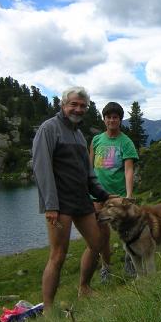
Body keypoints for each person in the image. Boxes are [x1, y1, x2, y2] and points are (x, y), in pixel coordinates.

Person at [32, 86, 111, 310]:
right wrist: (50, 205)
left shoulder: (78, 135)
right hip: (59, 203)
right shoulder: (49, 129)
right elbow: (42, 169)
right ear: (63, 105)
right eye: (73, 104)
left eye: (83, 106)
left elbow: (88, 174)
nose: (78, 109)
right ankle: (48, 308)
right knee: (58, 255)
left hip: (81, 200)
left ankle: (84, 288)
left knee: (97, 243)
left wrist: (104, 195)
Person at [90, 102, 139, 282]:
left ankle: (130, 259)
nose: (112, 120)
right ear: (104, 119)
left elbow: (128, 170)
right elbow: (89, 168)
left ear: (120, 120)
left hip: (116, 195)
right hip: (96, 194)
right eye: (108, 117)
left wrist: (128, 195)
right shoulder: (96, 140)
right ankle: (106, 267)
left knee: (127, 229)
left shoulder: (125, 142)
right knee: (101, 233)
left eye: (115, 117)